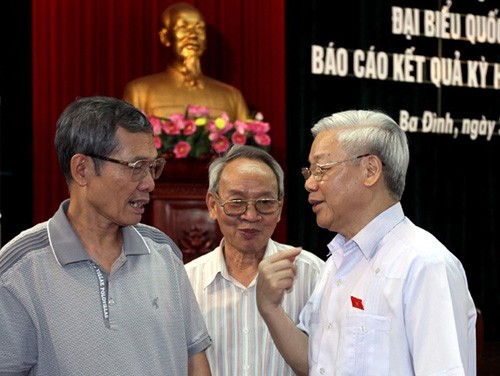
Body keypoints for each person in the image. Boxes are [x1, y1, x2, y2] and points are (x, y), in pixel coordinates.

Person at [0, 96, 212, 375]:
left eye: (152, 167)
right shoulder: (19, 268)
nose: (149, 183)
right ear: (82, 169)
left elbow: (194, 359)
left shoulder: (163, 251)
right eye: (136, 167)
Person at [256, 110, 477, 376]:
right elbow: (317, 364)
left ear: (370, 170)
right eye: (309, 171)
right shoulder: (338, 260)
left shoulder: (424, 265)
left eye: (321, 169)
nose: (310, 183)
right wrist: (269, 308)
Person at [185, 144, 325, 375]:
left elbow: (329, 365)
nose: (250, 215)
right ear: (212, 205)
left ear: (279, 208)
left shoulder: (314, 274)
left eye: (265, 203)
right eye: (236, 202)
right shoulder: (187, 282)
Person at [123, 2, 249, 121]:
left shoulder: (232, 97)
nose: (193, 35)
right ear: (165, 37)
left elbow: (247, 142)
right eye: (183, 27)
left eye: (199, 28)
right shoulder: (140, 92)